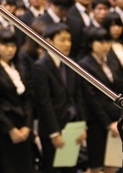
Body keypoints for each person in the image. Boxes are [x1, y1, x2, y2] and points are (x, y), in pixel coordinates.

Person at [32, 23, 87, 173]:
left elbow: (78, 97)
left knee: (71, 168)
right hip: (53, 128)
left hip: (72, 127)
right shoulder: (41, 66)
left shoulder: (71, 63)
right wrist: (54, 133)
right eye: (62, 40)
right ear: (49, 41)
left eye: (69, 40)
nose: (67, 44)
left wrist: (82, 125)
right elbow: (44, 103)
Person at [0, 29, 35, 173]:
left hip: (23, 124)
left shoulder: (20, 66)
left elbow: (28, 98)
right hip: (4, 129)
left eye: (13, 46)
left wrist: (28, 125)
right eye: (5, 45)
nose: (10, 50)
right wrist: (10, 129)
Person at [78, 27, 123, 173]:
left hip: (116, 118)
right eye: (100, 42)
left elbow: (120, 87)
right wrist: (107, 124)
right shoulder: (85, 64)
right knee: (96, 166)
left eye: (107, 42)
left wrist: (121, 118)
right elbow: (92, 99)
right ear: (91, 43)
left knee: (112, 164)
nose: (105, 45)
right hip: (97, 122)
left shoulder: (112, 60)